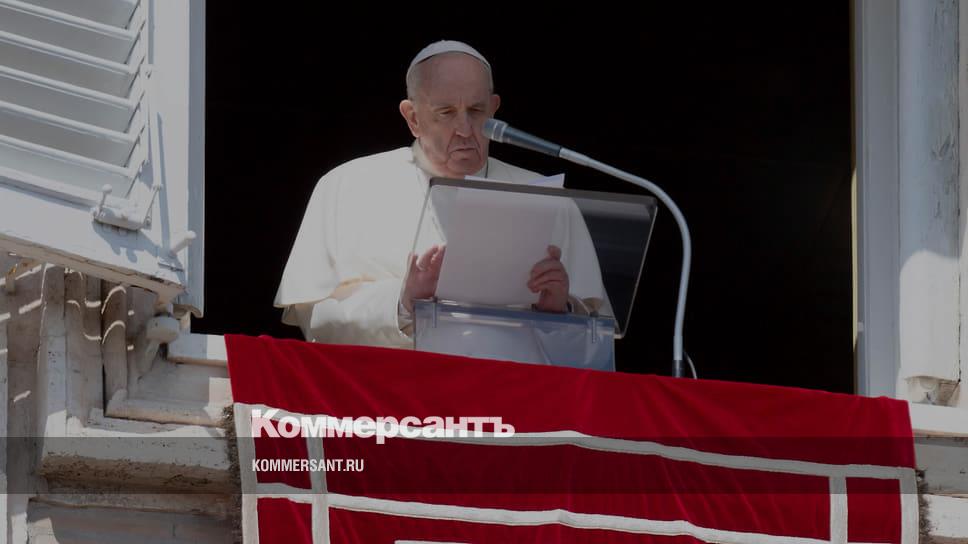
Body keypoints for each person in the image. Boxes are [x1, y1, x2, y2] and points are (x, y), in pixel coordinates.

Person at [275, 40, 605, 348]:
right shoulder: (348, 185)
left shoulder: (543, 196)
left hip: (512, 385)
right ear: (413, 118)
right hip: (393, 385)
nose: (465, 129)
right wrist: (403, 301)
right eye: (446, 112)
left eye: (476, 110)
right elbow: (315, 320)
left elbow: (595, 341)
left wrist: (558, 312)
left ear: (493, 108)